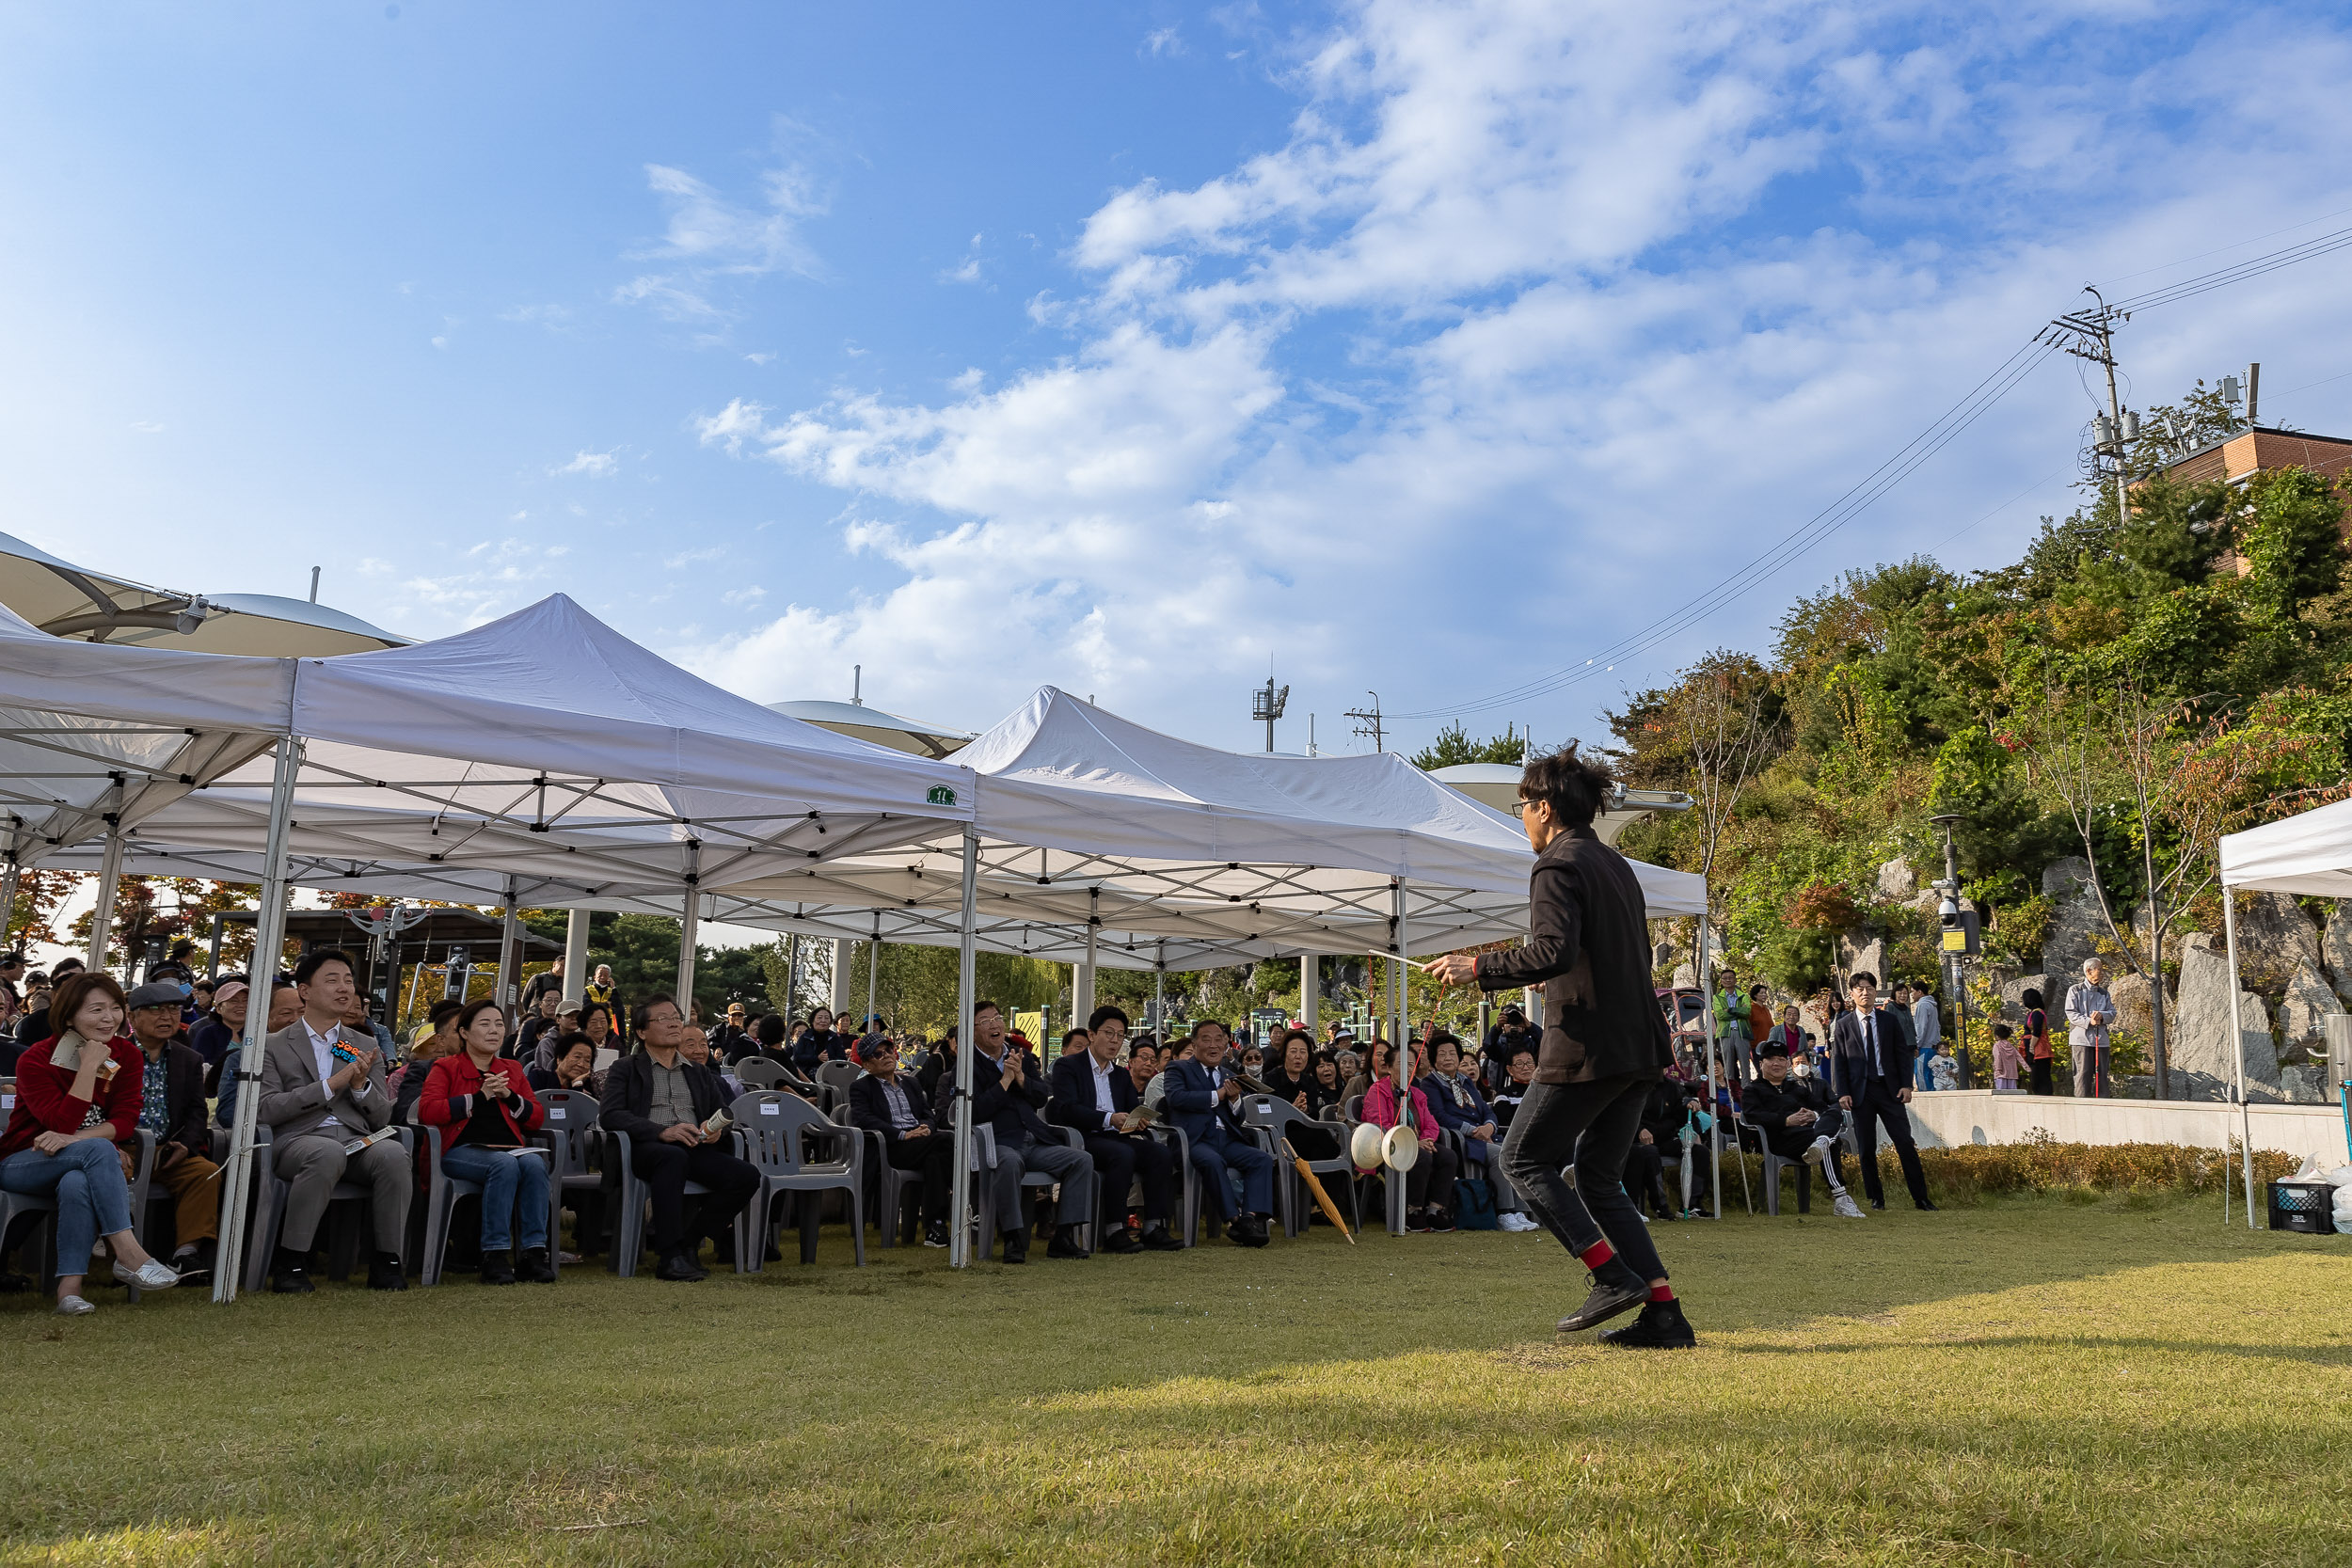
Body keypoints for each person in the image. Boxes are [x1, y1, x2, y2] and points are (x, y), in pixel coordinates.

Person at [1422, 742, 1692, 1350]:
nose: (1521, 816)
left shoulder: (1555, 864)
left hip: (1589, 1044)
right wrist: (1558, 973)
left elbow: (1553, 949)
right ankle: (1665, 1315)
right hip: (1640, 1044)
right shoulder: (1613, 862)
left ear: (1544, 807)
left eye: (1522, 805)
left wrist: (1478, 965)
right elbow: (1603, 955)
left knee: (1520, 1159)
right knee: (1599, 1178)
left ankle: (1609, 1275)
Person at [0, 971, 182, 1313]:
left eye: (115, 1008)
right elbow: (60, 1121)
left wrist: (76, 1139)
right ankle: (128, 1253)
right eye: (96, 1010)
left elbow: (125, 1123)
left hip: (80, 1160)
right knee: (98, 1151)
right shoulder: (36, 1058)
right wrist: (88, 1068)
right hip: (23, 1160)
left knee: (77, 1181)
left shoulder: (127, 1055)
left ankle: (69, 1292)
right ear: (69, 1016)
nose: (108, 1018)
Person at [255, 950, 409, 1292]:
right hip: (297, 1140)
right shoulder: (273, 1045)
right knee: (325, 1152)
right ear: (305, 992)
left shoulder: (363, 1044)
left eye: (349, 981)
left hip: (354, 1140)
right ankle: (291, 1261)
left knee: (394, 1156)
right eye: (332, 980)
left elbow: (383, 1115)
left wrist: (360, 1086)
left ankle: (387, 1262)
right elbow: (265, 1109)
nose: (344, 989)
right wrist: (330, 1086)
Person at [598, 996, 762, 1280]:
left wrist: (714, 1130)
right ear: (641, 1031)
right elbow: (611, 1114)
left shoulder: (697, 1071)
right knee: (671, 1156)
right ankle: (669, 1257)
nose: (674, 1022)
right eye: (662, 1018)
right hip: (647, 1147)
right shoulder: (627, 1068)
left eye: (675, 1016)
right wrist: (660, 1131)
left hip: (693, 1145)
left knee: (746, 1175)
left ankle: (688, 1244)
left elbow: (720, 1111)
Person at [417, 998, 556, 1284]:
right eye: (485, 1024)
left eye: (499, 1024)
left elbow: (536, 1118)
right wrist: (479, 1098)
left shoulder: (512, 1069)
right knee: (504, 1165)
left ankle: (533, 1254)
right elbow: (428, 1111)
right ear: (465, 1032)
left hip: (507, 1150)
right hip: (457, 1151)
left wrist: (509, 1096)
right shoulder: (446, 1068)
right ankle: (493, 1255)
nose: (494, 1030)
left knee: (534, 1164)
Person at [966, 1001, 1095, 1263]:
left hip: (1033, 1139)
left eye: (997, 1018)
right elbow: (976, 1111)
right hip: (998, 1142)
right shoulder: (968, 1065)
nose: (994, 1025)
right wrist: (1004, 1081)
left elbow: (1040, 1097)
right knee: (1010, 1162)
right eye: (985, 1021)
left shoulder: (1018, 1055)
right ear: (974, 1032)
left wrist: (1021, 1078)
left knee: (1081, 1159)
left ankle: (1062, 1236)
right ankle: (1014, 1238)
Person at [1047, 1004, 1180, 1253]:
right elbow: (1066, 1109)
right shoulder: (1068, 1066)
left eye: (1120, 1035)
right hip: (1083, 1137)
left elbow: (1130, 1111)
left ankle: (1153, 1226)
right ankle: (1114, 1230)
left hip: (1118, 1136)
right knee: (1122, 1154)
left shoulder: (1120, 1075)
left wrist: (1139, 1120)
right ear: (1092, 1035)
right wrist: (1109, 1119)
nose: (1115, 1040)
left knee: (1160, 1153)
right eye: (1109, 1033)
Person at [124, 980, 223, 1280]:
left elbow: (196, 1110)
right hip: (123, 1149)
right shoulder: (114, 1054)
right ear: (132, 1017)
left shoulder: (188, 1058)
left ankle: (186, 1254)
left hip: (167, 1149)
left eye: (173, 1009)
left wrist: (186, 1144)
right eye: (154, 1010)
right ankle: (121, 1255)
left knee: (205, 1171)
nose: (166, 1017)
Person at [1158, 1018, 1276, 1247]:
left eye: (1219, 1040)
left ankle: (1249, 1218)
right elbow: (1176, 1098)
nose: (1213, 1045)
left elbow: (1238, 1117)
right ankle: (1233, 1220)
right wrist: (1218, 1095)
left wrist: (1233, 1100)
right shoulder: (1178, 1068)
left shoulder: (1227, 1073)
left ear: (1226, 1045)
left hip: (1227, 1139)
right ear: (1194, 1044)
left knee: (1261, 1159)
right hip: (1195, 1140)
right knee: (1212, 1161)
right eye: (1206, 1039)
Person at [1827, 972, 1934, 1212]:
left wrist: (1907, 1084)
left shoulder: (1889, 1020)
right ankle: (1876, 1198)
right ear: (1852, 994)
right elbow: (1839, 1061)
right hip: (1860, 1093)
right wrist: (1841, 1092)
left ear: (1876, 992)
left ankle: (1921, 1198)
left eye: (1869, 988)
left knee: (1905, 1142)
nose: (1865, 993)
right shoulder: (1844, 1024)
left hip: (1890, 1090)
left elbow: (1902, 1055)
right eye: (1860, 989)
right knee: (1866, 1147)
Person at [848, 1035, 955, 1248]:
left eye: (889, 1050)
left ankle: (936, 1226)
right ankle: (967, 1199)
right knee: (947, 1140)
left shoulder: (911, 1083)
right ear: (867, 1065)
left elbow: (928, 1114)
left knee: (935, 1158)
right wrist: (903, 1135)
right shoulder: (861, 1087)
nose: (887, 1056)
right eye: (878, 1054)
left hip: (923, 1142)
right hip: (890, 1146)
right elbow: (864, 1119)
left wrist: (926, 1128)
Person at [1743, 1037, 1863, 1218]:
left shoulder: (1797, 1088)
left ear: (1787, 1064)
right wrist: (1786, 1120)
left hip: (1810, 1133)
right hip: (1780, 1140)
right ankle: (1841, 1198)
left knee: (1834, 1112)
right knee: (1831, 1142)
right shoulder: (1753, 1090)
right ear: (1761, 1063)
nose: (1776, 1064)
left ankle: (1822, 1142)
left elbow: (1823, 1107)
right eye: (1771, 1059)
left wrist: (1814, 1115)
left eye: (1781, 1059)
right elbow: (1752, 1115)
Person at [1361, 1038, 1461, 1232]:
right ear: (1389, 1068)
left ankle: (1435, 1209)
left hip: (1417, 1143)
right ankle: (1413, 1210)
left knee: (1448, 1156)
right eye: (1402, 1064)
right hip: (1387, 1144)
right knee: (1421, 1156)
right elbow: (1380, 1124)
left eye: (1411, 1064)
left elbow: (1431, 1123)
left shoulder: (1416, 1094)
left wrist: (1428, 1140)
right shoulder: (1377, 1091)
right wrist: (1415, 1142)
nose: (1408, 1069)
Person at [213, 977, 301, 1132]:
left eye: (302, 1012)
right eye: (286, 1013)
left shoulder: (334, 1048)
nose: (295, 1020)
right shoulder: (242, 1059)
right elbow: (228, 1114)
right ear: (265, 1018)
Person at [391, 999, 467, 1127]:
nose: (439, 1049)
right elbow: (410, 1119)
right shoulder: (415, 1073)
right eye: (431, 1044)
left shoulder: (492, 1069)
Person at [2066, 958, 2114, 1099]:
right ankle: (2081, 1109)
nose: (2103, 973)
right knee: (2083, 1074)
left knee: (2103, 1076)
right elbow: (2071, 1013)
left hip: (2101, 1040)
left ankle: (2103, 1108)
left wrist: (2102, 1016)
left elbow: (2112, 1013)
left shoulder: (2105, 993)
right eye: (2100, 969)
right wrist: (2089, 1021)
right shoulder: (2075, 990)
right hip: (2081, 1040)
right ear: (2089, 971)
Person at [530, 1031, 603, 1096]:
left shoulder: (591, 1087)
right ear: (559, 1059)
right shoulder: (539, 1078)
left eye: (587, 1060)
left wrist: (577, 1084)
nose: (581, 1064)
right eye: (577, 1057)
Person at [516, 988, 564, 1066]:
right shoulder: (529, 1024)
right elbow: (520, 1049)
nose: (553, 1004)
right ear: (540, 1004)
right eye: (548, 1000)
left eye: (557, 1001)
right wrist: (543, 1051)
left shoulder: (564, 1024)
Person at [2022, 988, 2055, 1097]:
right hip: (2034, 1046)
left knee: (2040, 1076)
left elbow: (2037, 1031)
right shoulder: (2033, 1013)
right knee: (2035, 1076)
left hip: (2038, 1048)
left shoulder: (2037, 1013)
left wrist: (2031, 1047)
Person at [1912, 980, 1943, 1088]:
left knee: (1922, 1077)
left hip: (1924, 1047)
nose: (1912, 995)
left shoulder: (1923, 1005)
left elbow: (1920, 1027)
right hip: (1934, 1047)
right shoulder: (1932, 1004)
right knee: (1932, 1078)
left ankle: (1926, 1103)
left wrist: (1916, 1045)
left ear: (1919, 992)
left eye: (1913, 991)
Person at [1991, 1024, 2023, 1092]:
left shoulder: (1997, 1046)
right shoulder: (2011, 1046)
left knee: (2001, 1095)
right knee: (2013, 1095)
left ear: (1997, 1035)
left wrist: (1998, 1069)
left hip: (2001, 1074)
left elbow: (1998, 1058)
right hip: (2012, 1074)